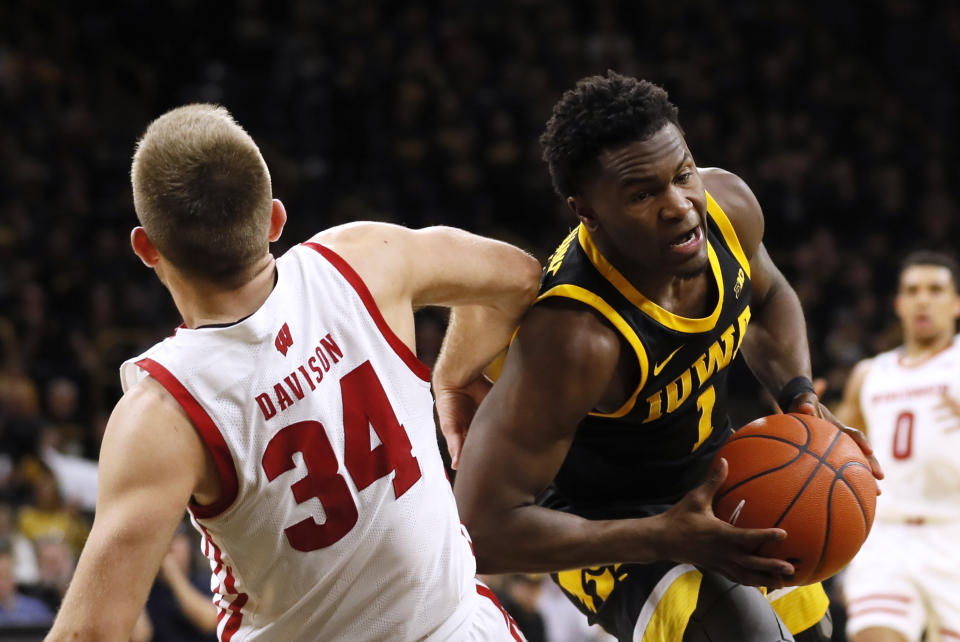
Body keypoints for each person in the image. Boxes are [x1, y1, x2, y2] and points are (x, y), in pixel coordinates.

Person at [45, 103, 539, 641]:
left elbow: (90, 632)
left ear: (146, 249)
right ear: (275, 218)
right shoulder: (365, 258)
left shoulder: (162, 412)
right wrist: (452, 377)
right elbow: (518, 277)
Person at [445, 72, 882, 642]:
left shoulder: (726, 208)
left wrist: (800, 397)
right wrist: (663, 534)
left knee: (813, 632)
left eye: (682, 175)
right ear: (588, 213)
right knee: (744, 633)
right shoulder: (577, 338)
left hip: (706, 472)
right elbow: (481, 532)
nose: (680, 206)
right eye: (642, 194)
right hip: (597, 518)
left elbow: (770, 297)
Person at [836, 251, 960, 642]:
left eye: (936, 290)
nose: (923, 300)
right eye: (913, 291)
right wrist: (800, 425)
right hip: (886, 535)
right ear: (899, 304)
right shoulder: (869, 373)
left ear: (957, 303)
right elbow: (837, 449)